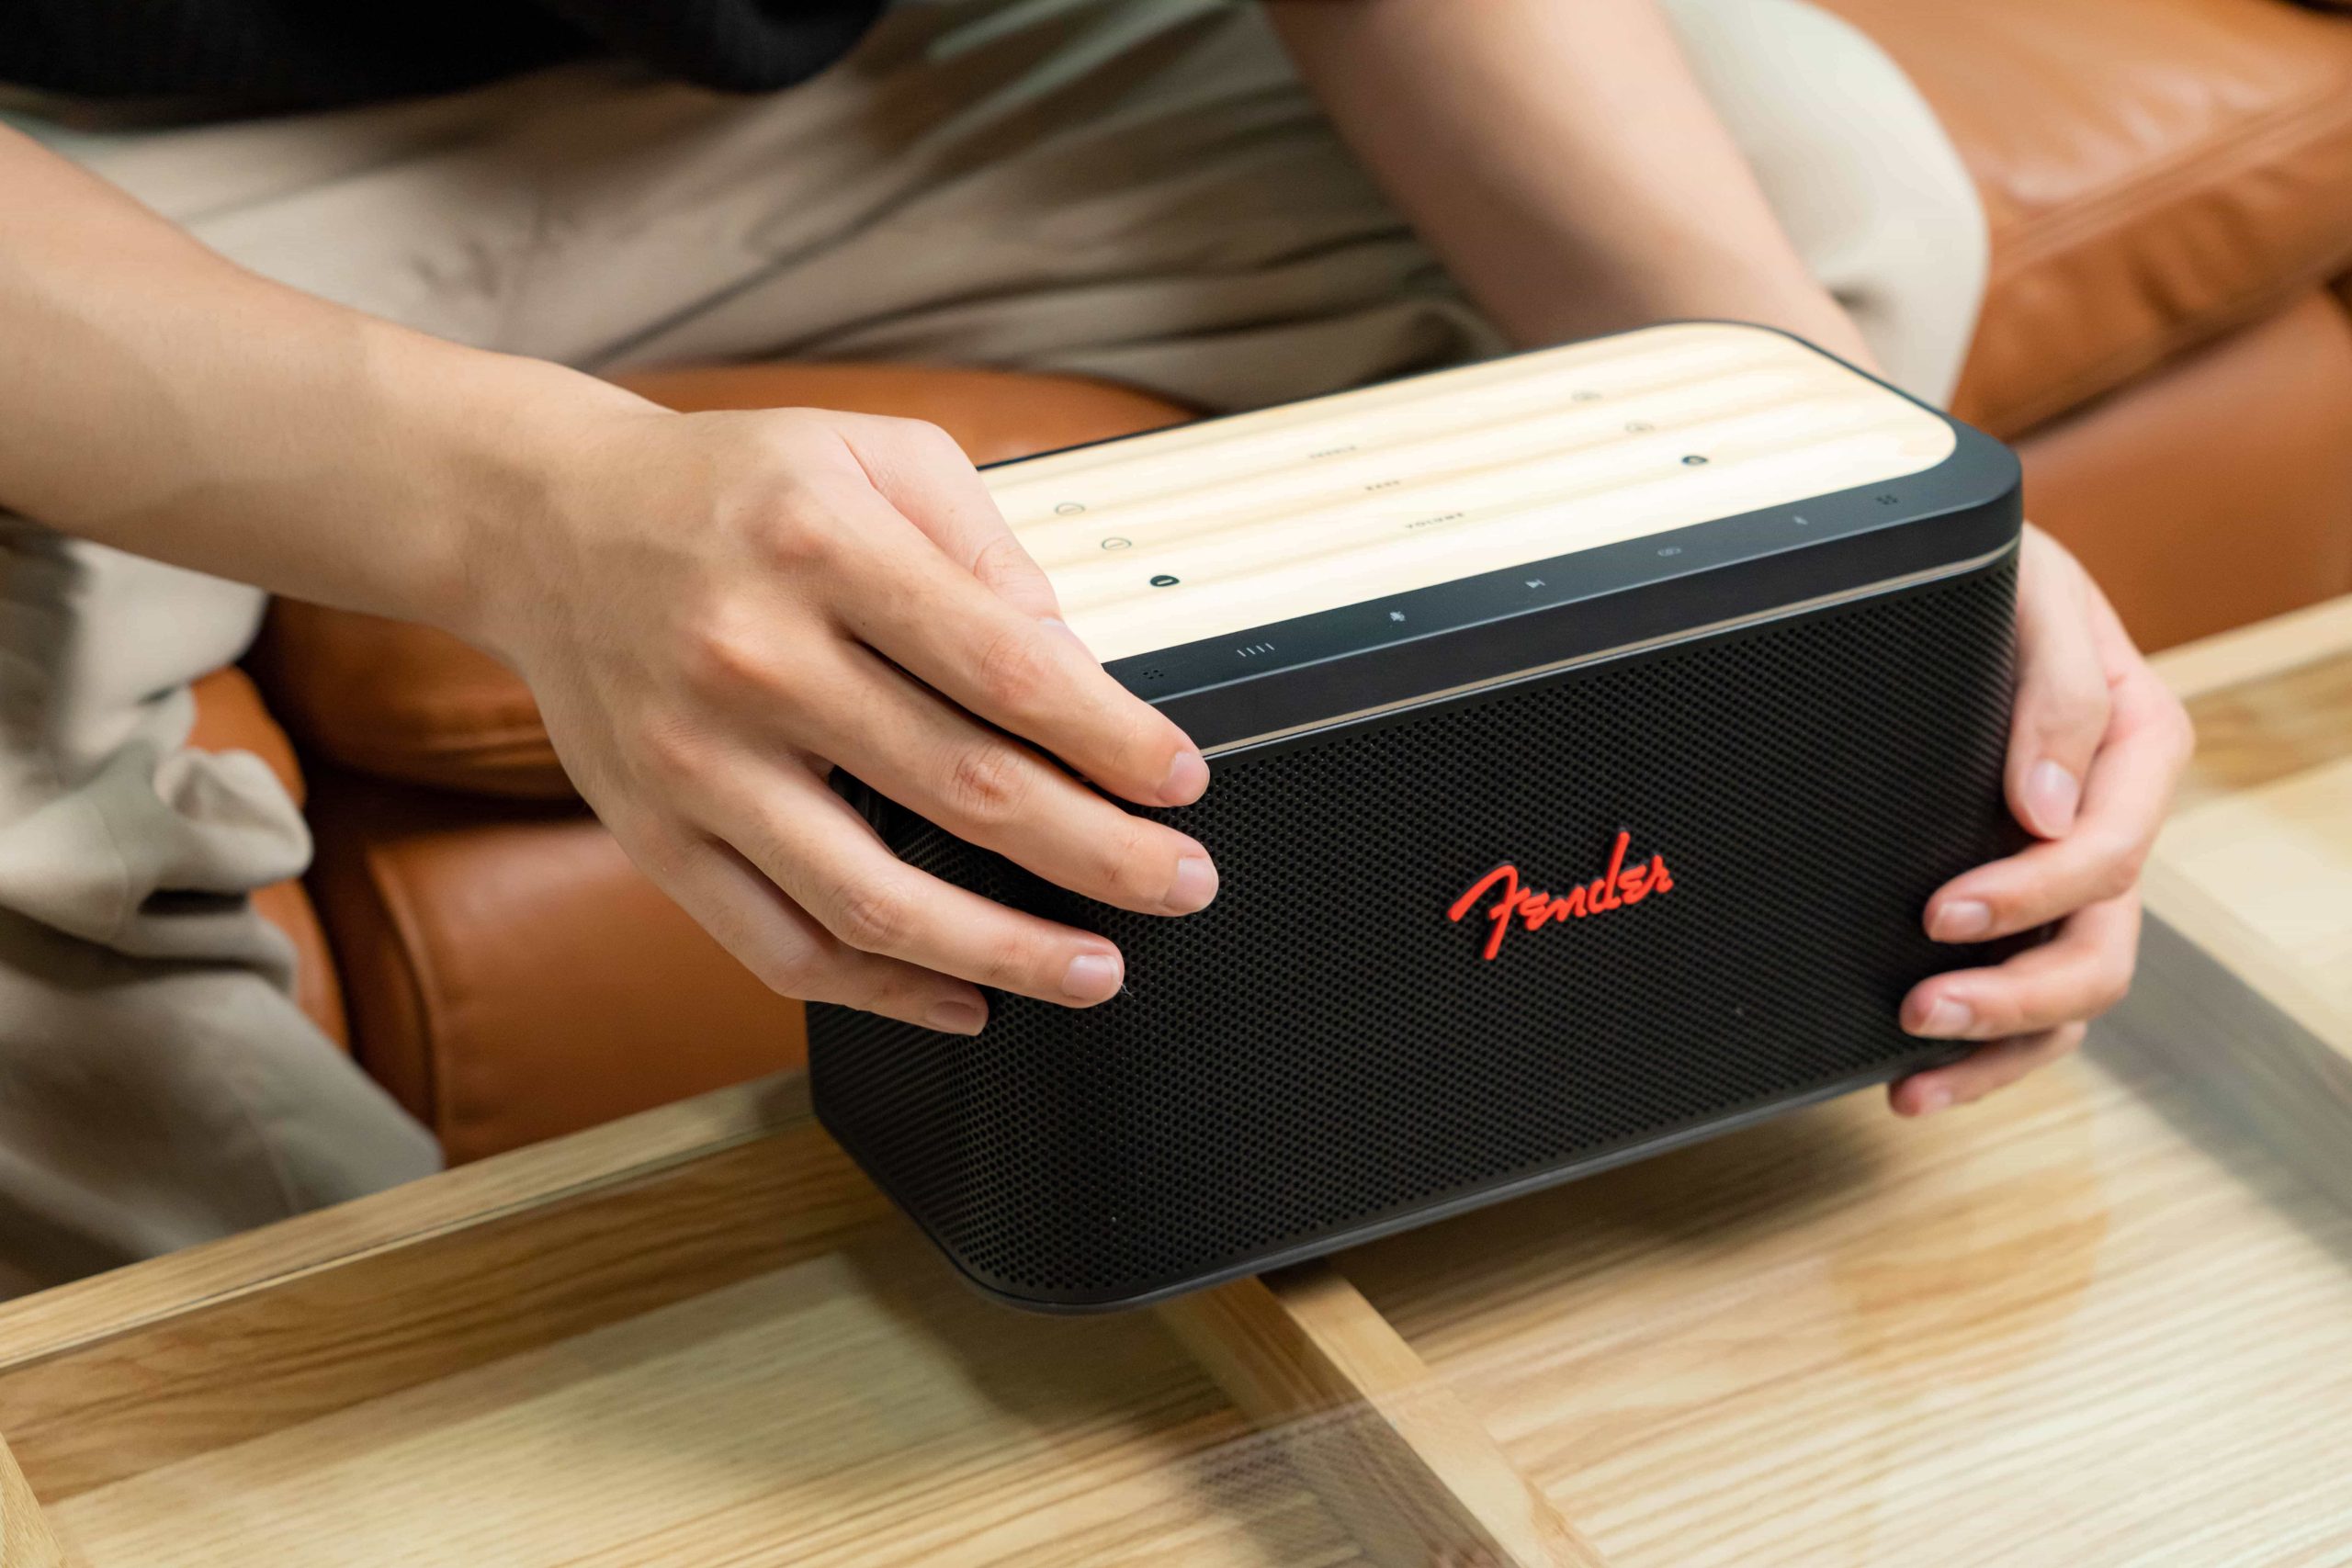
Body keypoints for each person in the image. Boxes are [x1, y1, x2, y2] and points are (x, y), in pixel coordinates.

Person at [0, 0, 2191, 1291]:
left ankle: (1473, 1104)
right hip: (102, 144)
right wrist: (529, 510)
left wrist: (1862, 489)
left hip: (893, 62)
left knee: (1817, 198)